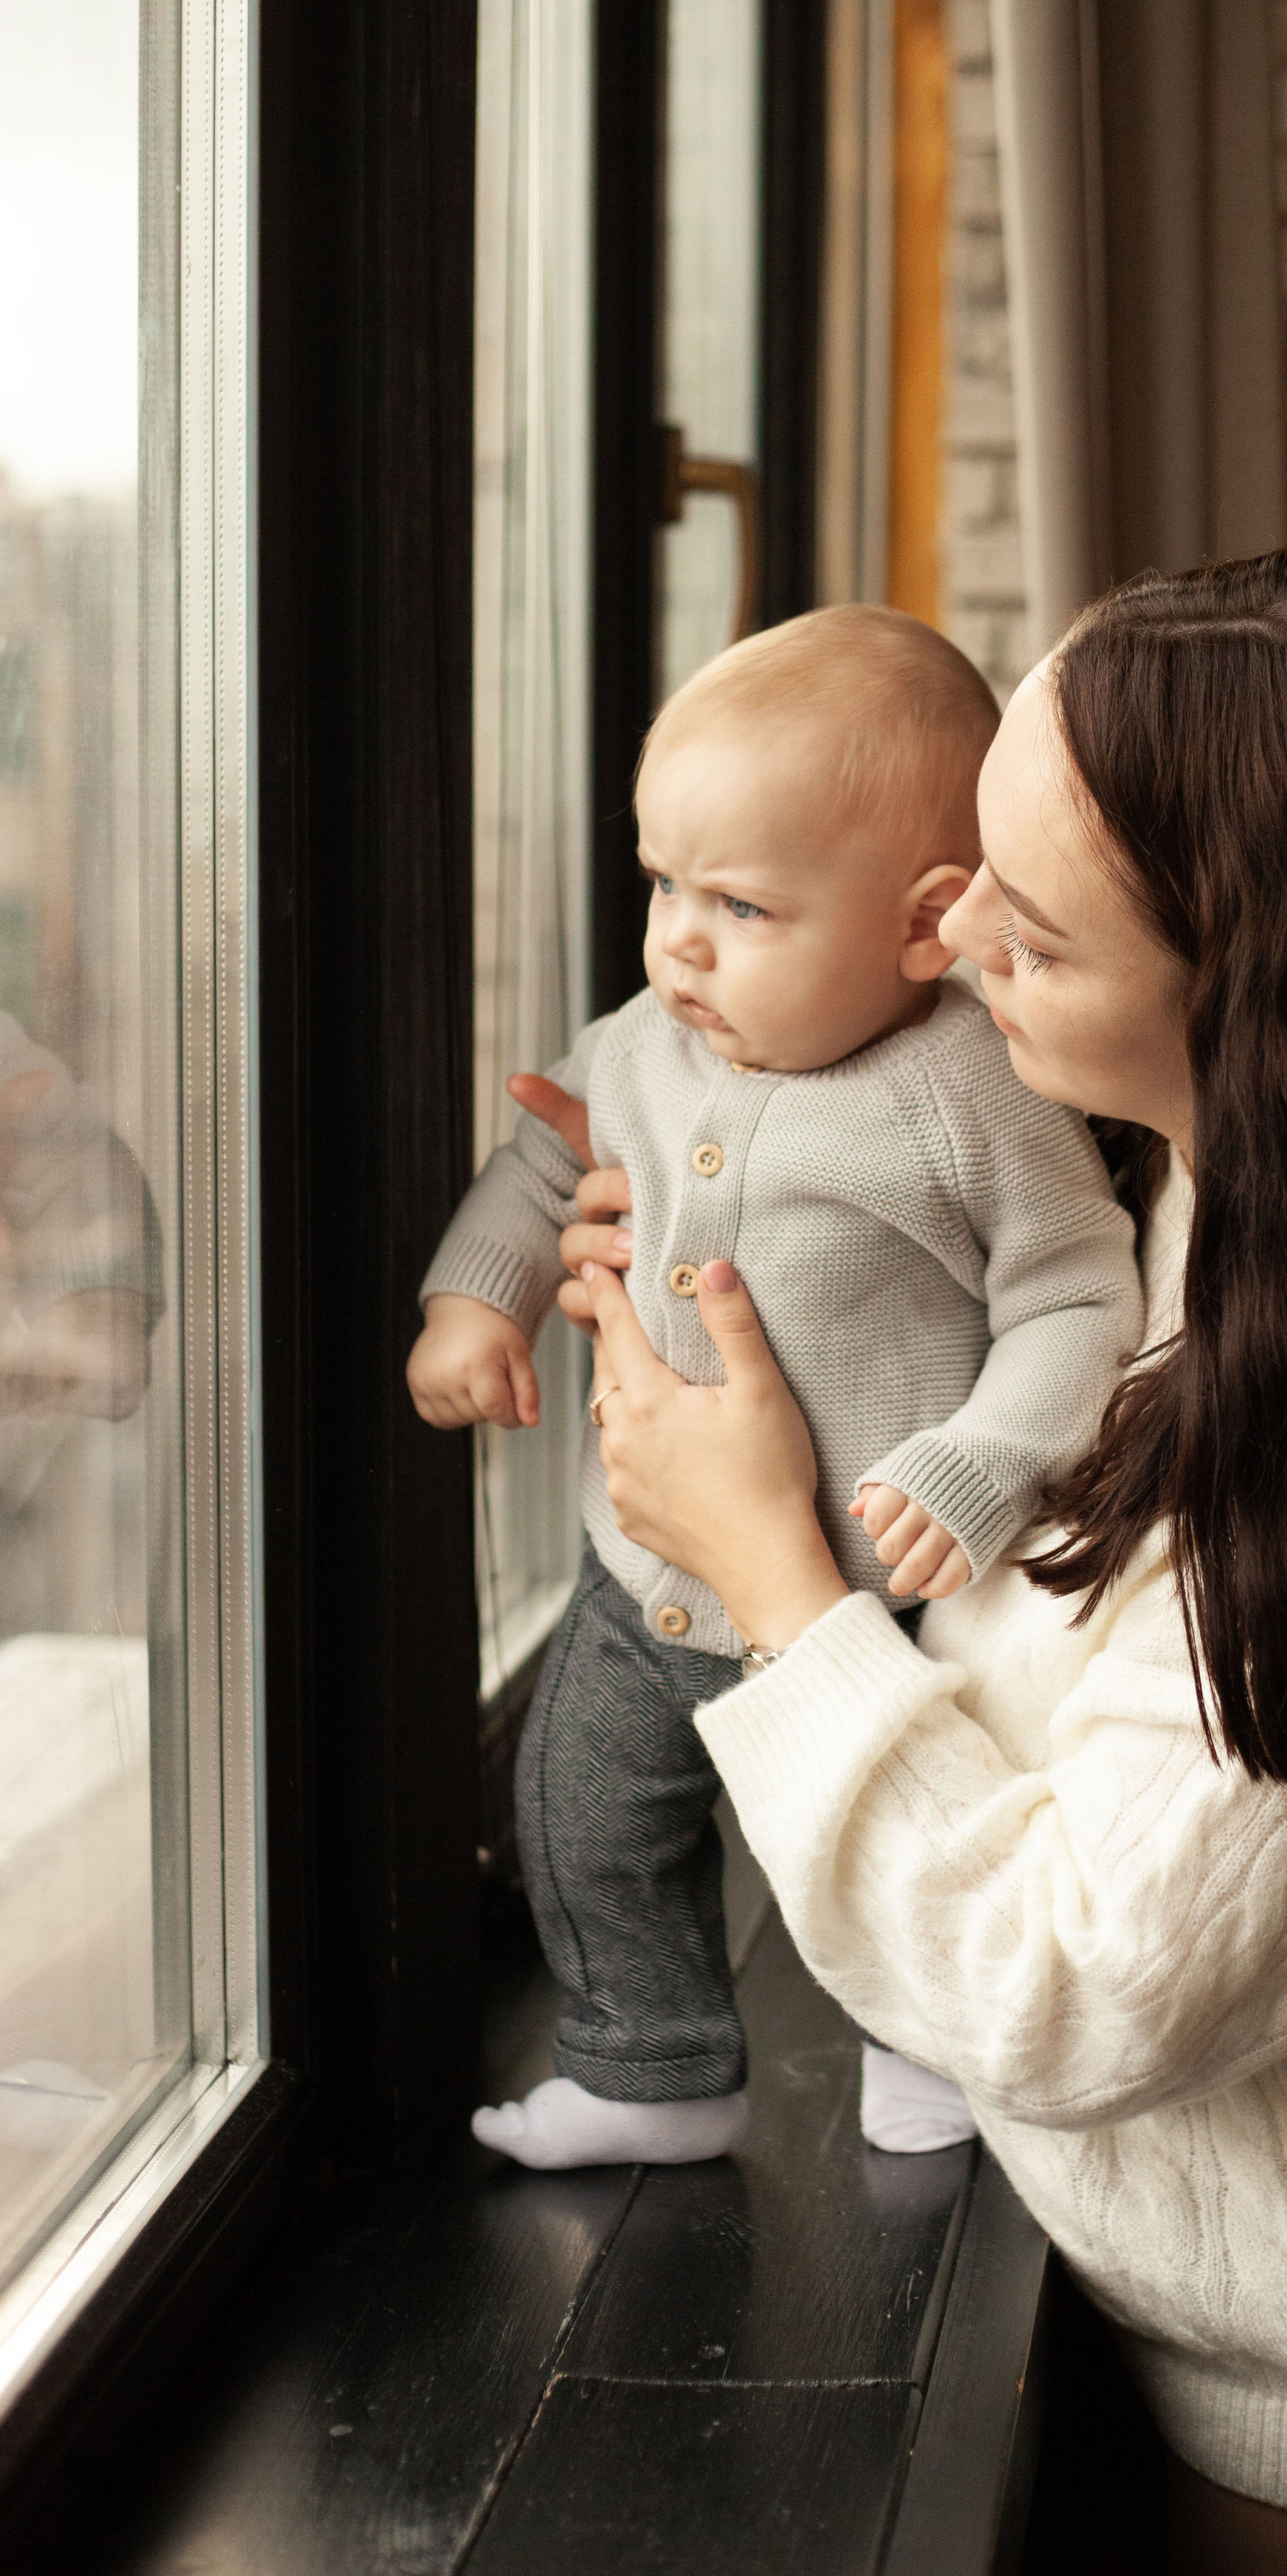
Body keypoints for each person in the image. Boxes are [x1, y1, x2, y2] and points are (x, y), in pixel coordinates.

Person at [554, 552, 1287, 2571]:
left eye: (1030, 925)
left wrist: (769, 1571)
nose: (945, 927)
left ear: (1262, 1002)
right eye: (967, 850)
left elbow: (1070, 1980)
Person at [408, 606, 1142, 2171]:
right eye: (662, 882)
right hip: (639, 1570)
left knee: (863, 1828)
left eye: (738, 903)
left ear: (920, 923)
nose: (678, 937)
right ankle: (650, 2067)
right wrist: (477, 1303)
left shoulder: (967, 1092)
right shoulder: (643, 1048)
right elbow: (542, 1164)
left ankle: (928, 2056)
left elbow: (1078, 1293)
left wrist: (975, 1460)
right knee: (587, 1817)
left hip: (863, 1593)